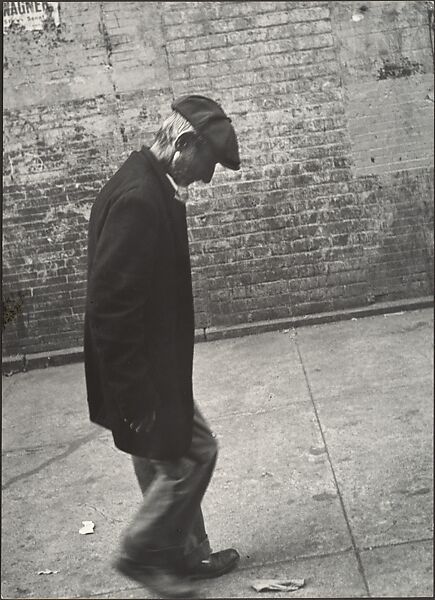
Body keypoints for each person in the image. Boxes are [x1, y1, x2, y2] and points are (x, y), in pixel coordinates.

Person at [84, 95, 241, 598]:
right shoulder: (139, 199)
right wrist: (136, 401)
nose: (209, 176)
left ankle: (187, 555)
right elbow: (111, 311)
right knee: (193, 455)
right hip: (144, 376)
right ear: (183, 144)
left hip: (153, 371)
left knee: (164, 459)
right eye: (209, 163)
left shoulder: (147, 182)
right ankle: (142, 550)